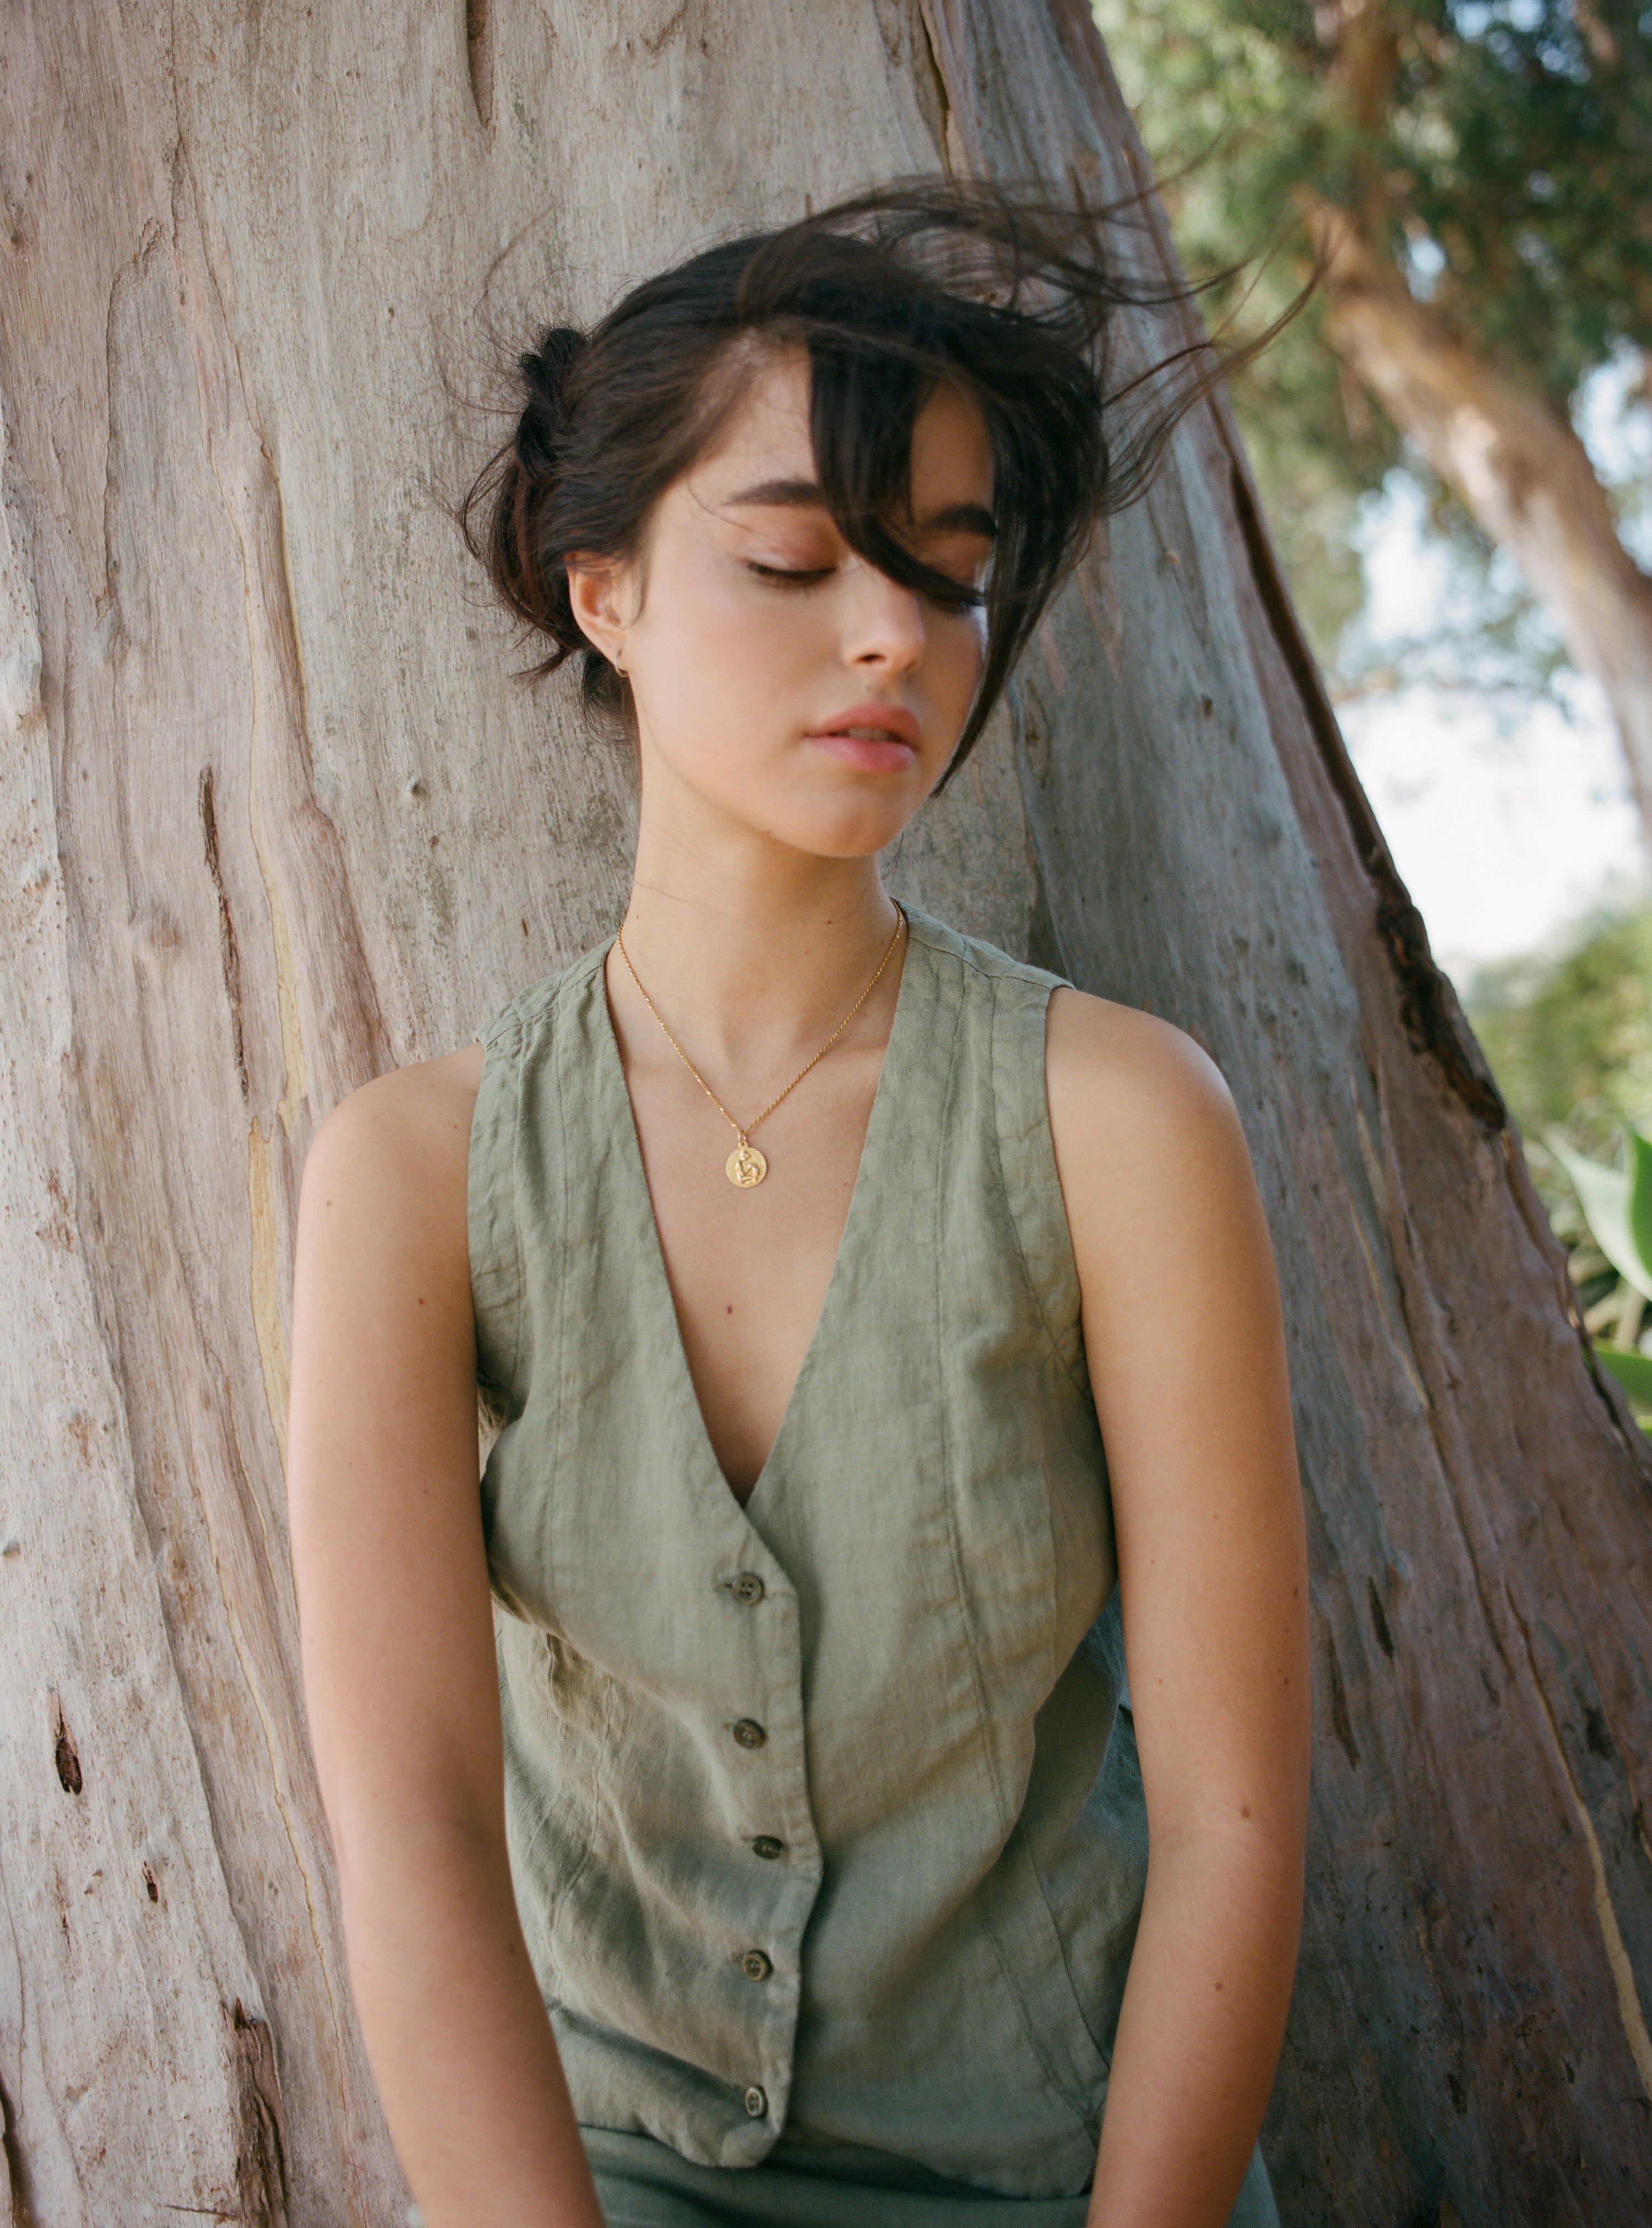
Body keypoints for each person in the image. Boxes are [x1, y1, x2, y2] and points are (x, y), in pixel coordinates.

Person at [286, 182, 1311, 2228]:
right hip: (600, 2177)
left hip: (1074, 2179)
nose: (893, 637)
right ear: (605, 593)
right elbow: (409, 1834)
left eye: (949, 577)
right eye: (791, 556)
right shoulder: (411, 1172)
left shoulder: (1120, 1121)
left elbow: (1235, 1819)